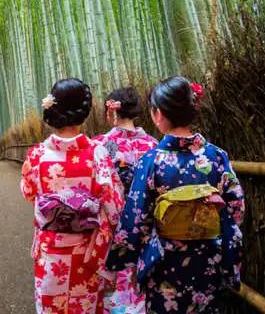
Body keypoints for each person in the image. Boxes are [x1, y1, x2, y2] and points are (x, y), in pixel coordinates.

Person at [105, 76, 245, 313]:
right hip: (209, 258)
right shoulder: (217, 156)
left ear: (158, 114)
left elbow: (136, 220)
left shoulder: (152, 161)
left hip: (166, 263)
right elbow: (236, 208)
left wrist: (120, 257)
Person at [20, 78, 124, 314]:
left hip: (50, 251)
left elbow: (28, 193)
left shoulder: (37, 155)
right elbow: (114, 205)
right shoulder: (97, 152)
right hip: (86, 253)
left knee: (50, 307)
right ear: (84, 112)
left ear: (52, 110)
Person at [93, 87, 157, 314]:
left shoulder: (99, 145)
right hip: (145, 227)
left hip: (110, 228)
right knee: (140, 287)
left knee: (111, 289)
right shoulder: (153, 145)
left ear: (111, 112)